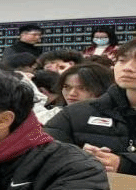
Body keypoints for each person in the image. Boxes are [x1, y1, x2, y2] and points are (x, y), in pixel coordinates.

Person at [46, 39, 136, 175]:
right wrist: (77, 157)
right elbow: (40, 154)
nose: (127, 68)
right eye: (122, 60)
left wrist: (125, 164)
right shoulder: (75, 114)